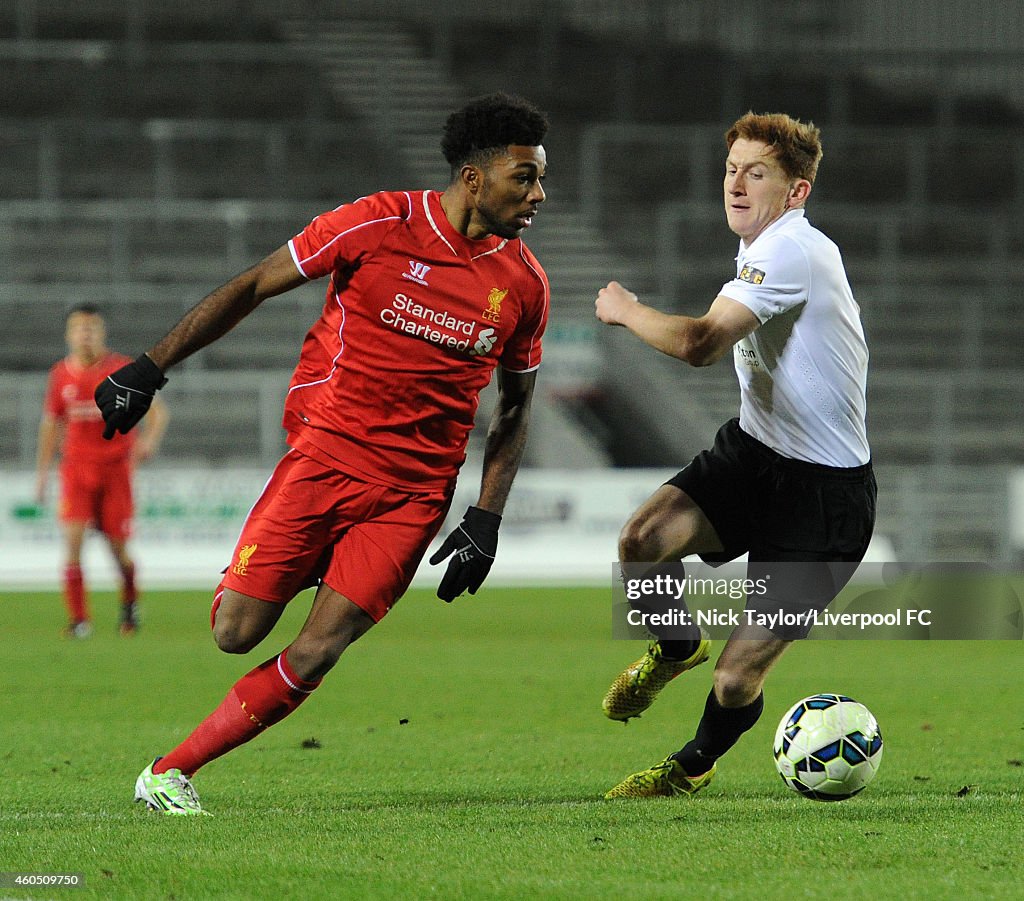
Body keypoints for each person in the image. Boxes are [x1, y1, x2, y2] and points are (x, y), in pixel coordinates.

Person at [93, 93, 551, 815]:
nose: (537, 195)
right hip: (326, 457)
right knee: (234, 631)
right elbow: (252, 285)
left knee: (319, 648)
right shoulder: (378, 221)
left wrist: (486, 516)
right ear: (474, 178)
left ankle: (169, 771)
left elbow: (516, 407)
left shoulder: (524, 283)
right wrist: (150, 367)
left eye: (539, 179)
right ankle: (302, 562)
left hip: (412, 496)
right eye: (524, 177)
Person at [594, 112, 876, 799]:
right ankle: (675, 646)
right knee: (641, 541)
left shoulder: (792, 250)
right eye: (731, 170)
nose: (737, 185)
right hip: (754, 455)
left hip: (824, 498)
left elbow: (698, 344)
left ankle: (689, 766)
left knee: (737, 676)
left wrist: (626, 309)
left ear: (796, 191)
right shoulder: (762, 247)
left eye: (758, 173)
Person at [36, 304, 169, 638]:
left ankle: (129, 603)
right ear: (69, 335)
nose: (86, 334)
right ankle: (79, 620)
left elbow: (158, 411)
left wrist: (149, 440)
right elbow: (51, 425)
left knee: (118, 548)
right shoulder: (60, 375)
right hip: (76, 470)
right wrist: (41, 475)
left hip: (115, 470)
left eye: (92, 328)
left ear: (102, 332)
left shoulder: (122, 369)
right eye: (79, 328)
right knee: (73, 543)